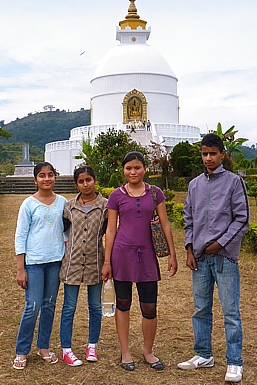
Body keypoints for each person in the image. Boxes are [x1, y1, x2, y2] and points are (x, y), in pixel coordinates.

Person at [178, 134, 249, 383]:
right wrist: (189, 248)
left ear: (222, 155)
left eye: (213, 153)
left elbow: (242, 219)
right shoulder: (195, 184)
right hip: (199, 258)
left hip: (224, 257)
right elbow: (189, 219)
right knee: (200, 309)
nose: (208, 158)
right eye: (204, 153)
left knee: (230, 312)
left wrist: (221, 243)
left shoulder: (233, 183)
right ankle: (204, 354)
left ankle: (234, 362)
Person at [102, 151, 178, 371]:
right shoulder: (116, 195)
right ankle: (125, 352)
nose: (133, 172)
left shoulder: (155, 193)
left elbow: (164, 224)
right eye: (128, 168)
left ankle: (148, 351)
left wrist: (172, 254)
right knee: (123, 304)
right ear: (123, 171)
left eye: (137, 167)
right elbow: (110, 229)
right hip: (122, 255)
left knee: (149, 306)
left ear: (144, 169)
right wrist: (107, 262)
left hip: (146, 256)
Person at [13, 162, 67, 370]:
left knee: (49, 305)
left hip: (55, 262)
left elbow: (68, 230)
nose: (47, 179)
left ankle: (43, 347)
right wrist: (21, 268)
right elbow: (21, 236)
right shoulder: (28, 204)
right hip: (34, 263)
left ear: (55, 177)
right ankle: (22, 350)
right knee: (32, 306)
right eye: (42, 176)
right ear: (35, 180)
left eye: (51, 175)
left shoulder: (63, 202)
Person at [60, 166, 107, 366]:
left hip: (96, 263)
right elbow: (63, 231)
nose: (85, 184)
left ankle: (92, 346)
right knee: (69, 307)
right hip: (73, 263)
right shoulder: (69, 207)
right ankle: (66, 349)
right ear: (76, 184)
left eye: (89, 180)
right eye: (81, 181)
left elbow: (108, 232)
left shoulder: (106, 206)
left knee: (95, 307)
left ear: (95, 180)